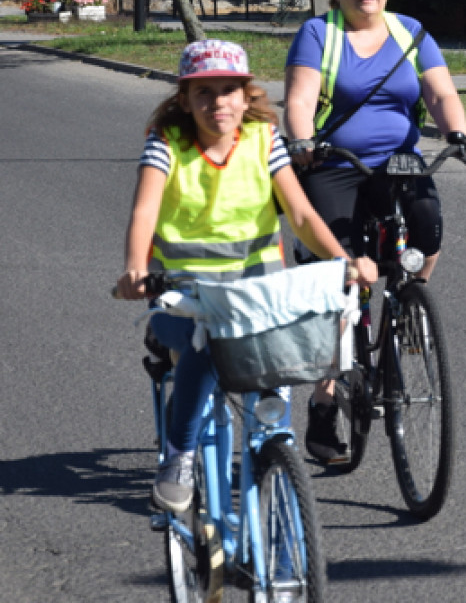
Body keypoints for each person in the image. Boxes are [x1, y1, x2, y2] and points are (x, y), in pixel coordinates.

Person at [116, 39, 376, 513]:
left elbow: (299, 213)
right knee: (204, 339)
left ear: (245, 94)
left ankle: (275, 460)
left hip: (257, 295)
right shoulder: (167, 141)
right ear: (185, 99)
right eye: (204, 92)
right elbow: (144, 211)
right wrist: (135, 269)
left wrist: (343, 261)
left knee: (279, 372)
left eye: (229, 90)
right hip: (184, 296)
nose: (218, 103)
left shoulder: (263, 139)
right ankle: (179, 455)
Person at [284, 0, 466, 464]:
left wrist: (459, 134)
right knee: (342, 274)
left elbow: (440, 94)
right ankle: (325, 401)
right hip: (335, 163)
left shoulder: (412, 33)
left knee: (428, 226)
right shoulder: (318, 34)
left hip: (398, 162)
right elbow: (301, 99)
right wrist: (302, 143)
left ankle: (412, 302)